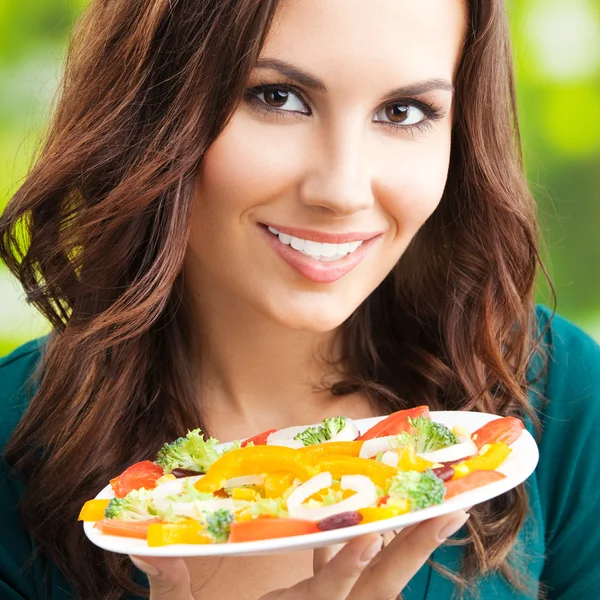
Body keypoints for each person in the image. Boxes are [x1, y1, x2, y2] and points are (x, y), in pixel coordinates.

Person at [1, 0, 599, 598]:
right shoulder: (12, 441)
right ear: (151, 106)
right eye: (278, 97)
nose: (341, 190)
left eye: (403, 110)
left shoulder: (558, 391)